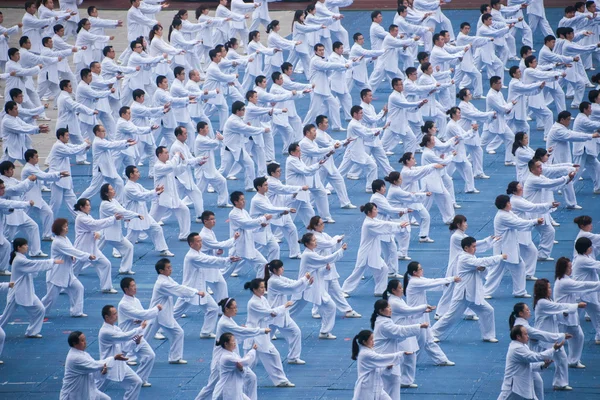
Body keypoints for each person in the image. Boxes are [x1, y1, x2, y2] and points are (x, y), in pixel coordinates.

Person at [431, 236, 505, 342]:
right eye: (473, 246)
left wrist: (482, 269)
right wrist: (500, 257)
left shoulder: (471, 257)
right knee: (451, 316)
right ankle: (432, 333)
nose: (475, 249)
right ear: (466, 248)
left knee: (488, 310)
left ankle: (488, 335)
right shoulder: (464, 258)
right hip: (463, 294)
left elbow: (483, 271)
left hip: (472, 294)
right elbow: (484, 261)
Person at [197, 297, 266, 400]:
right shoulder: (224, 323)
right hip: (220, 361)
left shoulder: (229, 320)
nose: (236, 310)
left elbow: (238, 335)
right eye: (233, 308)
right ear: (227, 309)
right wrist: (261, 330)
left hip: (232, 356)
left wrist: (243, 330)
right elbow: (241, 332)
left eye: (236, 307)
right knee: (211, 387)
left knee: (251, 378)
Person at [173, 232, 239, 338]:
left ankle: (206, 332)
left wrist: (226, 259)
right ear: (191, 244)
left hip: (200, 290)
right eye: (198, 241)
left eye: (201, 241)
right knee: (176, 313)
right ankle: (159, 328)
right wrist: (227, 259)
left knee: (213, 308)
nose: (200, 243)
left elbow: (209, 259)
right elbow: (209, 260)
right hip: (189, 290)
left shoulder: (198, 253)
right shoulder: (192, 256)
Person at [145, 258, 205, 364]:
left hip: (163, 314)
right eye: (168, 268)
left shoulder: (167, 279)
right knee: (144, 337)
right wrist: (196, 292)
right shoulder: (162, 283)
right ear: (161, 271)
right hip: (155, 314)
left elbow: (179, 287)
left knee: (178, 333)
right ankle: (129, 356)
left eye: (170, 267)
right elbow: (178, 289)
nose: (171, 269)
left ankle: (175, 357)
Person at [0, 238, 63, 338]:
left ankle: (32, 332)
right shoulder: (19, 260)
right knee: (6, 316)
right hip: (17, 292)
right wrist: (52, 261)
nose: (27, 247)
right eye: (24, 245)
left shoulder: (21, 258)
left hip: (26, 291)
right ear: (18, 247)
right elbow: (34, 264)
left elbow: (32, 266)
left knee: (40, 309)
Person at [342, 203, 409, 297]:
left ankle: (380, 291)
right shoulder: (369, 224)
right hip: (366, 253)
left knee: (384, 269)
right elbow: (384, 226)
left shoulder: (373, 220)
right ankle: (344, 290)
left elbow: (383, 223)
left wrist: (398, 224)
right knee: (358, 272)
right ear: (369, 212)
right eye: (375, 209)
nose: (377, 211)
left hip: (372, 252)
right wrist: (399, 226)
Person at [508, 302, 572, 399]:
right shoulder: (521, 328)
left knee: (538, 383)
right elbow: (539, 336)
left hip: (522, 369)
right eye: (527, 310)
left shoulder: (521, 325)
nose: (530, 311)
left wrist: (543, 365)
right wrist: (559, 338)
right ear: (521, 313)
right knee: (510, 394)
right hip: (516, 377)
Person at [436, 215, 495, 318]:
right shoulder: (456, 237)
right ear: (459, 225)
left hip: (463, 264)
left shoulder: (461, 235)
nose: (466, 224)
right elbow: (473, 244)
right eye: (464, 222)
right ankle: (440, 312)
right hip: (457, 266)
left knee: (467, 287)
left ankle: (469, 312)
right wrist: (488, 240)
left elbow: (473, 244)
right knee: (451, 289)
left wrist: (489, 240)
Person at [291, 232, 347, 339]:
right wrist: (341, 250)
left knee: (331, 306)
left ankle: (324, 332)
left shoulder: (312, 253)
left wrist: (326, 270)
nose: (315, 242)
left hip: (314, 287)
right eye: (313, 241)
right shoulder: (308, 255)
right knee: (292, 310)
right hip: (305, 287)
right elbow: (325, 260)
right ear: (307, 244)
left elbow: (318, 272)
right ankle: (272, 326)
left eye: (315, 240)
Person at [484, 194, 541, 298]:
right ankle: (485, 292)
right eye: (509, 203)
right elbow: (518, 223)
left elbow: (519, 221)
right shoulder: (503, 216)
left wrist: (533, 222)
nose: (511, 204)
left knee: (519, 266)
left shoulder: (507, 213)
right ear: (504, 204)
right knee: (497, 271)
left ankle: (519, 291)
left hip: (508, 247)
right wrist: (535, 221)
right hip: (503, 248)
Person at [404, 262, 459, 367]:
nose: (422, 270)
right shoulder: (415, 282)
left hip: (422, 314)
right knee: (420, 342)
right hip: (416, 317)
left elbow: (432, 283)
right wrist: (451, 279)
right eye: (420, 269)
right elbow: (432, 283)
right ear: (414, 272)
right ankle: (409, 363)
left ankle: (441, 359)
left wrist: (444, 283)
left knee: (429, 340)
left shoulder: (418, 280)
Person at [306, 216, 361, 318]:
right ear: (315, 226)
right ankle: (315, 311)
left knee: (337, 292)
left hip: (329, 267)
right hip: (322, 268)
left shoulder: (324, 235)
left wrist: (339, 242)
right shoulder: (315, 237)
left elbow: (332, 247)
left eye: (323, 223)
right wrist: (336, 238)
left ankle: (348, 310)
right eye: (321, 224)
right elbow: (329, 243)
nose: (323, 225)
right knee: (321, 291)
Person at [243, 278, 295, 387]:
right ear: (254, 289)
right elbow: (269, 312)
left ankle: (281, 380)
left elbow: (270, 314)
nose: (263, 289)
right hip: (254, 335)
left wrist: (275, 313)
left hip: (262, 335)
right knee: (248, 363)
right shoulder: (253, 303)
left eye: (264, 287)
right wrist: (284, 306)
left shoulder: (262, 299)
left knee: (274, 355)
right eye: (261, 287)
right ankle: (236, 381)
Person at [371, 299, 427, 399]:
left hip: (387, 358)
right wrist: (419, 326)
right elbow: (399, 331)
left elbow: (398, 335)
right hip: (386, 359)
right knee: (390, 386)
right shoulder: (384, 324)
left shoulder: (383, 321)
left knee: (388, 387)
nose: (390, 309)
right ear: (381, 311)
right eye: (388, 308)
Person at [553, 257, 600, 369]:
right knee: (558, 339)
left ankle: (572, 360)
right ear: (564, 269)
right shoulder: (565, 282)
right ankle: (552, 358)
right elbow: (583, 285)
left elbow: (582, 287)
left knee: (578, 336)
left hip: (567, 315)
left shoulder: (564, 280)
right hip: (563, 315)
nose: (571, 269)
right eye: (569, 267)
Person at [41, 218, 92, 318]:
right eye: (65, 226)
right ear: (59, 229)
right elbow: (72, 251)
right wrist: (88, 255)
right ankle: (39, 312)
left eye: (67, 225)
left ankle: (76, 311)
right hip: (56, 274)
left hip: (67, 272)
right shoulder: (57, 242)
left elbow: (71, 250)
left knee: (78, 288)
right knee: (50, 298)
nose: (67, 228)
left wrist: (71, 256)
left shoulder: (65, 238)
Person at [498, 325, 563, 400]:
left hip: (520, 387)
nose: (528, 336)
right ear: (518, 336)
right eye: (525, 334)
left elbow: (529, 365)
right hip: (513, 388)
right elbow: (537, 357)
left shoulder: (522, 346)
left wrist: (543, 365)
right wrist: (553, 349)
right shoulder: (517, 348)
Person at [264, 260, 311, 364]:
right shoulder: (274, 281)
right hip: (274, 314)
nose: (283, 269)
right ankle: (253, 357)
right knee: (264, 340)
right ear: (275, 270)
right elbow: (292, 288)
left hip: (280, 314)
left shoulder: (279, 278)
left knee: (295, 332)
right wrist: (304, 279)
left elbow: (293, 283)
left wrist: (307, 283)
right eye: (281, 268)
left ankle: (293, 357)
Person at [122, 166, 174, 257]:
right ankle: (118, 250)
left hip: (143, 214)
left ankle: (163, 249)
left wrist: (156, 191)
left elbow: (146, 192)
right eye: (137, 172)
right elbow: (141, 196)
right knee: (131, 237)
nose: (139, 174)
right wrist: (155, 193)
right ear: (131, 174)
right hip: (135, 216)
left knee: (157, 229)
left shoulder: (137, 185)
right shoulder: (128, 188)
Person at [60, 331, 128, 400]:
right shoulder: (75, 357)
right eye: (82, 341)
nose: (85, 342)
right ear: (75, 344)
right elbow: (95, 365)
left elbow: (94, 370)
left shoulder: (84, 354)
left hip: (87, 390)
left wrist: (102, 372)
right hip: (74, 393)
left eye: (85, 340)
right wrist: (114, 358)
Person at [117, 277, 160, 387]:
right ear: (126, 289)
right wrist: (156, 309)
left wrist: (140, 319)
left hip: (137, 336)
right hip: (126, 337)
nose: (135, 287)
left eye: (134, 285)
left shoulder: (135, 300)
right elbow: (142, 315)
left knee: (150, 356)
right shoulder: (123, 304)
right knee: (114, 364)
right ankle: (97, 383)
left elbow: (141, 315)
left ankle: (140, 380)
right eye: (132, 286)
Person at [73, 198, 119, 294]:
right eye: (87, 205)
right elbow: (95, 224)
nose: (90, 207)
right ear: (81, 207)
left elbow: (94, 227)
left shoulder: (87, 216)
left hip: (92, 248)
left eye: (89, 205)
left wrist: (97, 233)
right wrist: (113, 218)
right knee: (74, 270)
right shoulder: (81, 218)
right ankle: (62, 286)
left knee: (106, 264)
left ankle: (106, 287)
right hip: (82, 248)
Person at [97, 305, 144, 400]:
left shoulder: (116, 328)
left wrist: (135, 342)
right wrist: (140, 328)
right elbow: (124, 337)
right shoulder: (105, 331)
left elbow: (125, 346)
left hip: (119, 364)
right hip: (108, 366)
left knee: (136, 382)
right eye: (114, 314)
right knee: (94, 391)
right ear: (107, 317)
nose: (117, 316)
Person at [0, 161, 45, 257]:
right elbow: (14, 190)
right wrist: (28, 180)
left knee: (33, 226)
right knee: (7, 238)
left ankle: (35, 251)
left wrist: (31, 182)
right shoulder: (2, 183)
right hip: (10, 214)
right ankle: (4, 258)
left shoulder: (12, 180)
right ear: (5, 171)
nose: (12, 171)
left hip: (19, 212)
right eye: (11, 169)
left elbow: (23, 188)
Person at [21, 149, 65, 241]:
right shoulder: (28, 168)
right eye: (36, 157)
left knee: (48, 213)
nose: (38, 158)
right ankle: (6, 235)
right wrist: (59, 174)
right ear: (30, 158)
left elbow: (43, 177)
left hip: (36, 197)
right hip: (28, 198)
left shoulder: (34, 166)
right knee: (20, 219)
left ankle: (47, 235)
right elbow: (44, 176)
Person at [350, 329, 407, 400]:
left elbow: (376, 368)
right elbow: (381, 358)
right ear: (364, 342)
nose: (373, 341)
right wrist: (401, 354)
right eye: (371, 339)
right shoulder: (365, 354)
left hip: (376, 386)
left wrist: (386, 368)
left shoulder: (369, 351)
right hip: (366, 387)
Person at [149, 146, 191, 241]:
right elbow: (172, 166)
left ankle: (184, 235)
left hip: (172, 197)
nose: (168, 154)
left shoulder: (168, 163)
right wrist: (176, 155)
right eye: (166, 153)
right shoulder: (158, 166)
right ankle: (139, 235)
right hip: (161, 199)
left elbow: (178, 170)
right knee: (151, 220)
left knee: (184, 210)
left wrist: (183, 161)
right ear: (159, 155)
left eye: (168, 152)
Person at [98, 183, 139, 275]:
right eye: (111, 189)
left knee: (129, 247)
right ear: (106, 193)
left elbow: (121, 210)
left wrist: (126, 217)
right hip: (106, 233)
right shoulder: (105, 204)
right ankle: (76, 265)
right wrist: (135, 215)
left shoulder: (113, 201)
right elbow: (120, 211)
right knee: (93, 253)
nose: (114, 190)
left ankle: (125, 269)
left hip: (112, 233)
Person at [370, 178, 410, 269]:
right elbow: (389, 209)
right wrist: (404, 210)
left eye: (384, 186)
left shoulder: (380, 197)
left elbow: (389, 210)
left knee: (388, 250)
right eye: (382, 187)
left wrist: (399, 213)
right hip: (381, 225)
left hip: (384, 223)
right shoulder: (377, 198)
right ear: (377, 189)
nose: (385, 188)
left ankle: (390, 269)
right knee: (390, 249)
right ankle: (390, 270)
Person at [214, 333, 258, 400]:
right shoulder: (226, 357)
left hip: (234, 389)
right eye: (233, 341)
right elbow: (245, 361)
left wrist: (241, 369)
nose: (235, 343)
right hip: (226, 391)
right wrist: (253, 350)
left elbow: (242, 370)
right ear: (226, 344)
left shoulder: (233, 354)